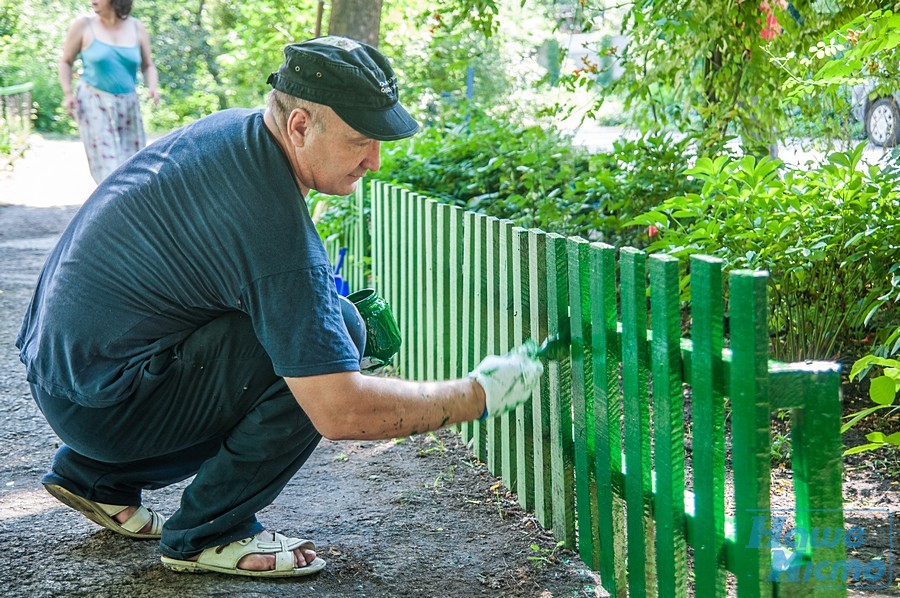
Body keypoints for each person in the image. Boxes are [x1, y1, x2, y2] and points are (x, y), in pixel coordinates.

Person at [18, 36, 543, 579]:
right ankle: (209, 533)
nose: (375, 161)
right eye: (360, 140)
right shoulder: (271, 228)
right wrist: (476, 395)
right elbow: (339, 411)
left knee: (312, 329)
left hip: (67, 379)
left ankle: (97, 479)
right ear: (299, 126)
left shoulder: (236, 133)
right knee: (332, 331)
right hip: (107, 403)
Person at [58, 0, 160, 183]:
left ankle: (131, 208)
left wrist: (152, 87)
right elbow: (65, 61)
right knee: (108, 167)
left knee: (133, 165)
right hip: (92, 100)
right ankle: (113, 209)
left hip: (128, 102)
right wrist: (68, 94)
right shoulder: (83, 25)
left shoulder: (137, 27)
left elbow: (148, 65)